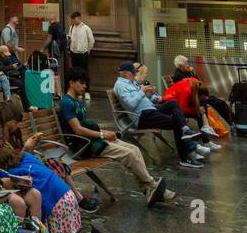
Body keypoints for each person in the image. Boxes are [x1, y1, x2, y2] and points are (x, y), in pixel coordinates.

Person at [0, 143, 129, 233]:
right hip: (67, 194)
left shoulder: (14, 174)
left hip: (56, 205)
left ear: (4, 166)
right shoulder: (26, 156)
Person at [59, 68, 174, 204]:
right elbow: (78, 130)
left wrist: (106, 133)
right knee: (129, 154)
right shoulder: (66, 103)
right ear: (71, 83)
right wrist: (102, 134)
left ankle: (149, 188)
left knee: (135, 150)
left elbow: (86, 126)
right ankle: (151, 185)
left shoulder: (77, 102)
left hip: (93, 140)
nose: (84, 86)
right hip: (84, 146)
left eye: (85, 83)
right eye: (81, 83)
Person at [113, 62, 206, 168]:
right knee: (176, 122)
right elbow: (131, 105)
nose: (135, 75)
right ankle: (186, 157)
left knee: (173, 103)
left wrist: (149, 94)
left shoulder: (131, 82)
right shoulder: (120, 86)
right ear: (125, 73)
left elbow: (139, 99)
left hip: (152, 109)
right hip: (143, 116)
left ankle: (186, 130)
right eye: (133, 73)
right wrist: (142, 92)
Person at [172, 55, 231, 124]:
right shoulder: (178, 76)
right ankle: (228, 123)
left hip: (197, 96)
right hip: (193, 100)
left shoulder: (185, 72)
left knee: (220, 102)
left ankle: (229, 122)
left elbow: (198, 83)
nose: (188, 65)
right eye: (186, 63)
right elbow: (192, 88)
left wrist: (193, 73)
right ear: (180, 66)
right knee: (220, 103)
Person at [0, 44, 28, 109]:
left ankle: (27, 105)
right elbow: (1, 69)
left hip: (12, 76)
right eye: (4, 54)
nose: (6, 55)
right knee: (21, 85)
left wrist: (14, 66)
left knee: (23, 84)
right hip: (5, 78)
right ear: (1, 53)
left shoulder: (6, 57)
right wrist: (12, 66)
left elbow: (14, 65)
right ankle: (27, 106)